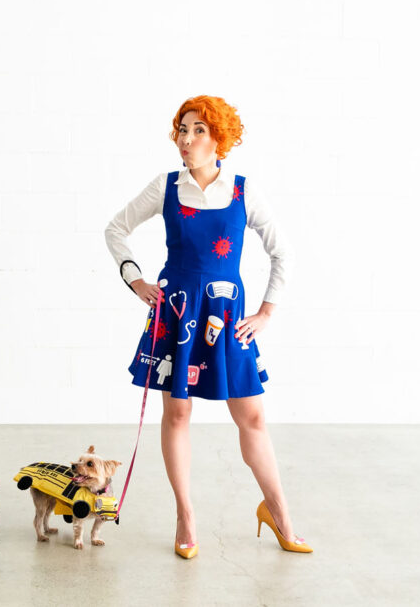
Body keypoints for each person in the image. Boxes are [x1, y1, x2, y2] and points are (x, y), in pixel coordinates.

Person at [104, 95, 312, 559]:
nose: (187, 138)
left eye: (199, 130)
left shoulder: (242, 189)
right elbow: (115, 229)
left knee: (252, 417)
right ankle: (185, 513)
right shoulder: (165, 187)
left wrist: (265, 313)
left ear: (220, 137)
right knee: (177, 415)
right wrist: (134, 278)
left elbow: (284, 252)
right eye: (183, 129)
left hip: (227, 317)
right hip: (177, 314)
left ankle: (278, 511)